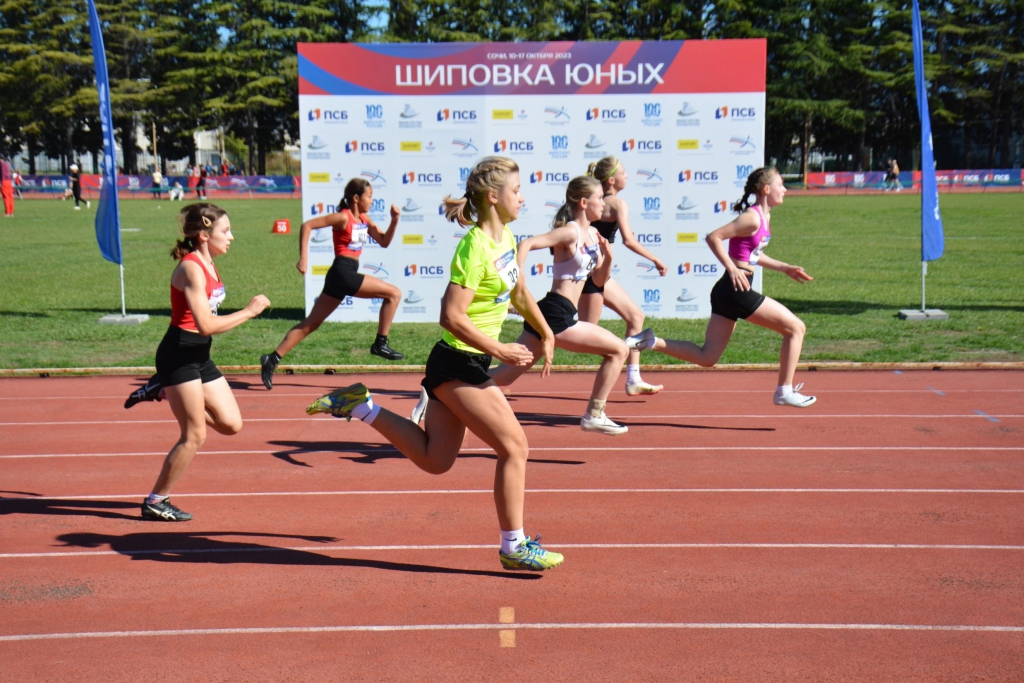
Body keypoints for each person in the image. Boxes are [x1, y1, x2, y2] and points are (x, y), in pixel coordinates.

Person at [306, 156, 564, 571]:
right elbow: (451, 317)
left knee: (435, 460)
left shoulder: (506, 238)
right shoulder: (474, 246)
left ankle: (360, 406)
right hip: (457, 361)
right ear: (493, 197)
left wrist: (546, 331)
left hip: (465, 360)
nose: (523, 197)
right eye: (517, 190)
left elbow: (517, 292)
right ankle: (513, 546)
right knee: (515, 446)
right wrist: (500, 350)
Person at [625, 167, 817, 408]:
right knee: (796, 328)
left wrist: (784, 267)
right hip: (736, 290)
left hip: (728, 290)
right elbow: (713, 237)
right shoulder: (753, 217)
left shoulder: (764, 217)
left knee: (708, 357)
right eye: (781, 185)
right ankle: (784, 391)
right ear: (767, 189)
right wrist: (733, 268)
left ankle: (651, 341)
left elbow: (753, 255)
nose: (785, 189)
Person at [454, 175, 628, 435]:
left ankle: (449, 386)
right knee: (618, 350)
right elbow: (527, 243)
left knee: (506, 375)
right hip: (556, 312)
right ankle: (594, 414)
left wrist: (609, 259)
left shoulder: (594, 234)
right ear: (583, 202)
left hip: (558, 311)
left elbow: (598, 282)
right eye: (599, 198)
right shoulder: (570, 232)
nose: (604, 203)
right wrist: (519, 270)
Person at [134, 203, 270, 521]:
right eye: (226, 231)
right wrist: (249, 311)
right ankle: (156, 501)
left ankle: (162, 390)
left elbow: (205, 329)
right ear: (204, 235)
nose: (232, 237)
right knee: (195, 435)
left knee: (231, 424)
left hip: (200, 355)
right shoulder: (192, 268)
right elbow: (206, 324)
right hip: (178, 356)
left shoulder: (209, 262)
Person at [259, 178, 405, 389]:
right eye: (369, 196)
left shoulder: (364, 220)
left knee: (311, 324)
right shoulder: (342, 218)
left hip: (340, 276)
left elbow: (384, 242)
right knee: (394, 294)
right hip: (342, 271)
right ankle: (380, 344)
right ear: (356, 198)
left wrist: (394, 220)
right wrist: (304, 258)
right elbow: (307, 226)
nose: (372, 201)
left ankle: (271, 359)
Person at [576, 156, 664, 396]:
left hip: (596, 274)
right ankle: (535, 324)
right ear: (612, 180)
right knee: (581, 333)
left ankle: (633, 379)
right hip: (595, 275)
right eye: (624, 173)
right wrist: (655, 259)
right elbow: (629, 240)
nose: (628, 176)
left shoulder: (595, 204)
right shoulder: (617, 204)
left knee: (635, 316)